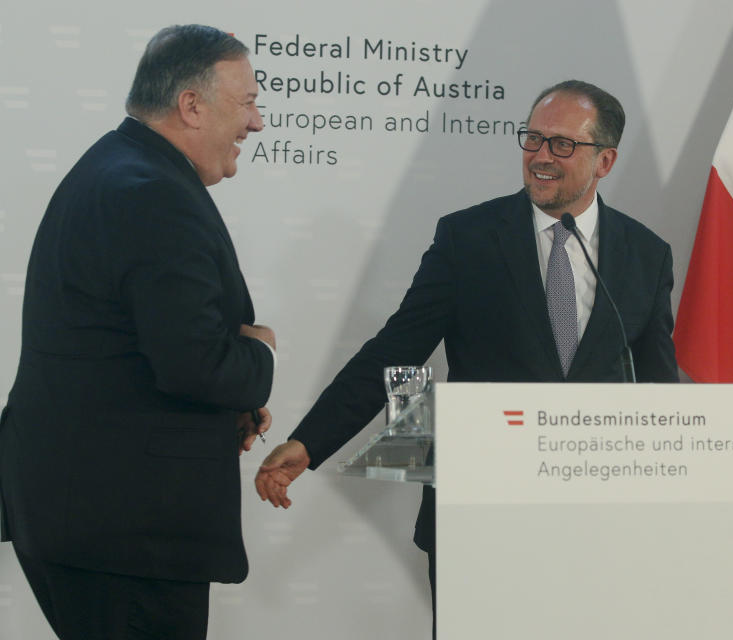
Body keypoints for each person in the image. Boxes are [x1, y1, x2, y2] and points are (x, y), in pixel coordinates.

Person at [255, 79, 677, 628]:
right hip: (478, 512)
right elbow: (396, 349)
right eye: (533, 139)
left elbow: (658, 388)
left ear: (606, 160)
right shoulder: (468, 238)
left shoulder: (646, 253)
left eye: (562, 145)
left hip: (595, 521)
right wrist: (310, 440)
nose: (541, 157)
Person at [0, 25, 275, 639]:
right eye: (249, 102)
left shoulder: (121, 168)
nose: (257, 123)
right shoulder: (151, 192)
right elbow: (195, 364)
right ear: (191, 105)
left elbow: (132, 347)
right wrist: (258, 353)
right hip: (124, 535)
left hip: (94, 517)